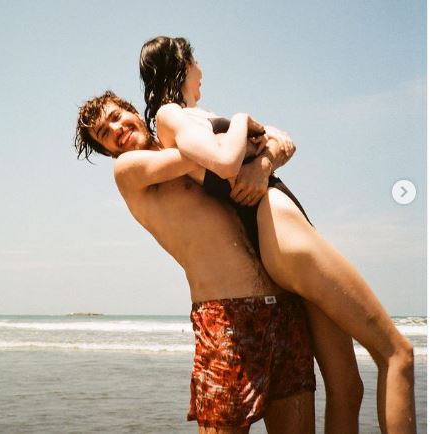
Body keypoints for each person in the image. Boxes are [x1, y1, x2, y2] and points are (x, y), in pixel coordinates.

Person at [138, 36, 416, 434]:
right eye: (196, 59)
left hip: (283, 233)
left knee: (347, 386)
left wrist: (263, 163)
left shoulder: (199, 117)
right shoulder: (171, 115)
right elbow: (224, 163)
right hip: (280, 231)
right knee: (397, 354)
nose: (202, 69)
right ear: (182, 63)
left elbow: (283, 142)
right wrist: (245, 120)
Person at [74, 91, 316, 434]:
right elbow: (225, 154)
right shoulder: (129, 169)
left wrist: (264, 161)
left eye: (116, 117)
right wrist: (254, 139)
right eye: (104, 133)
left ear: (133, 112)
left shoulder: (196, 143)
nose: (116, 129)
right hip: (226, 320)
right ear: (107, 150)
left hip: (283, 309)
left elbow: (262, 148)